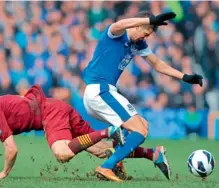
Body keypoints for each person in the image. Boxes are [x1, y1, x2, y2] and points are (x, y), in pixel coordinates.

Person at [82, 11, 203, 182]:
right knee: (140, 129)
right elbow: (119, 24)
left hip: (101, 94)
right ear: (138, 25)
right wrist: (150, 20)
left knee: (141, 126)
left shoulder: (137, 44)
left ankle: (132, 158)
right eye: (145, 33)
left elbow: (157, 64)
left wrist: (185, 77)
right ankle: (107, 166)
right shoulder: (116, 34)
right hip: (100, 91)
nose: (144, 38)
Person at [0, 84, 167, 180]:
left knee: (62, 153)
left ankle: (110, 131)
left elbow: (11, 150)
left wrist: (4, 173)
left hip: (50, 113)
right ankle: (152, 154)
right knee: (102, 151)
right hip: (56, 109)